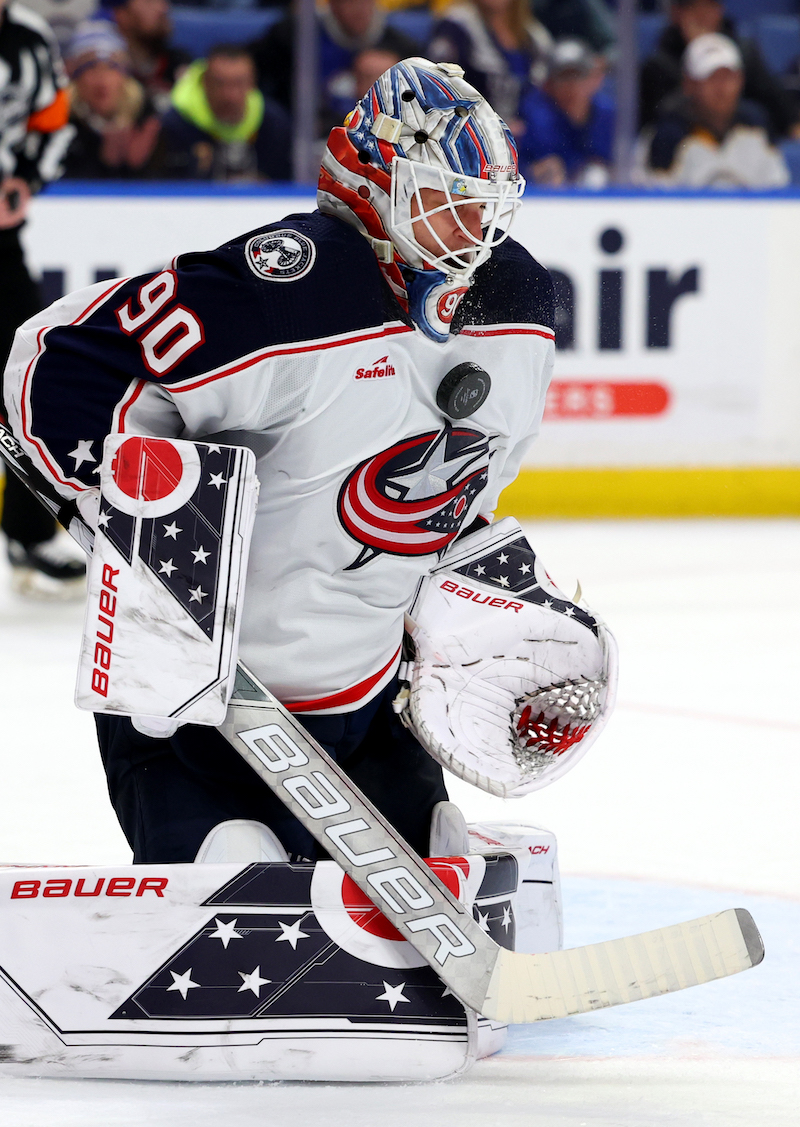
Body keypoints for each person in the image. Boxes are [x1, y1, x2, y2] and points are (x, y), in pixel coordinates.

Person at [2, 57, 554, 865]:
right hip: (204, 694)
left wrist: (472, 582)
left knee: (424, 834)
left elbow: (472, 487)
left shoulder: (518, 305)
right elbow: (49, 361)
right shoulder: (287, 289)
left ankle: (417, 832)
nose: (471, 239)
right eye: (445, 207)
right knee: (216, 833)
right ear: (374, 180)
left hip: (367, 691)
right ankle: (219, 843)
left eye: (485, 215)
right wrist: (125, 522)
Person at [0, 0, 86, 596]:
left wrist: (25, 178)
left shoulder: (28, 38)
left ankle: (27, 530)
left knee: (23, 371)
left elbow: (55, 119)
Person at [636, 33, 789, 189]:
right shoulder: (665, 137)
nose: (721, 88)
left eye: (728, 77)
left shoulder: (758, 127)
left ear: (741, 80)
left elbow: (778, 190)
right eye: (711, 78)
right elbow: (654, 198)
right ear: (689, 84)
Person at [249, 0, 419, 140]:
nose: (358, 9)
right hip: (304, 142)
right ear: (331, 4)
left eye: (365, 2)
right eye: (350, 2)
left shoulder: (404, 50)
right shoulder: (292, 37)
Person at [640, 0, 800, 141]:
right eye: (693, 8)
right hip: (682, 149)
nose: (702, 16)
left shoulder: (744, 53)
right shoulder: (658, 64)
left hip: (740, 146)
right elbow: (652, 122)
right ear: (676, 13)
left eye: (710, 7)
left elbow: (776, 101)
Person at [160, 43, 291, 181]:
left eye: (239, 83)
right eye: (220, 83)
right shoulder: (174, 124)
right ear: (204, 83)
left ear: (252, 83)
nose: (229, 95)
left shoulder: (275, 125)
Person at [62, 19, 164, 179]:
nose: (102, 80)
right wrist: (102, 163)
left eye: (111, 67)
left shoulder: (146, 118)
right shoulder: (60, 125)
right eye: (90, 67)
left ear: (124, 77)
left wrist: (143, 165)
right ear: (75, 78)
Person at [428, 0, 552, 127]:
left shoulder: (536, 38)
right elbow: (436, 93)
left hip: (528, 139)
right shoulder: (454, 28)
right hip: (468, 134)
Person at [517, 38, 613, 186]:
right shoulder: (536, 118)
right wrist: (534, 171)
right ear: (549, 85)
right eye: (563, 77)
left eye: (578, 76)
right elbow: (520, 169)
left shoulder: (607, 116)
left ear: (593, 79)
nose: (572, 86)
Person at [104, 0, 189, 113]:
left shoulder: (181, 63)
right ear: (122, 15)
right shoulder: (109, 73)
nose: (163, 8)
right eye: (149, 2)